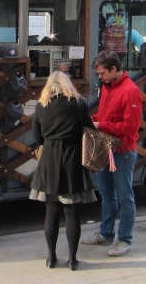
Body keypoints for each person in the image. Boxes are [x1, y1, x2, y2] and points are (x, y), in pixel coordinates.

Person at [30, 71, 97, 271]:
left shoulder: (42, 104)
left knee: (51, 212)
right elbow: (90, 129)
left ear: (49, 86)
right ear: (68, 84)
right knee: (71, 212)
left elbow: (37, 136)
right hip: (72, 161)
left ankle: (51, 258)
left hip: (49, 161)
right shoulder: (79, 103)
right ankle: (73, 260)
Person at [81, 50, 141, 257]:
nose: (100, 77)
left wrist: (99, 124)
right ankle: (106, 234)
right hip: (107, 148)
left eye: (102, 73)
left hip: (122, 151)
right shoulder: (109, 86)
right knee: (107, 194)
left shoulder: (130, 91)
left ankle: (124, 239)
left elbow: (131, 127)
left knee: (125, 197)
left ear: (114, 69)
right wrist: (93, 119)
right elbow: (108, 115)